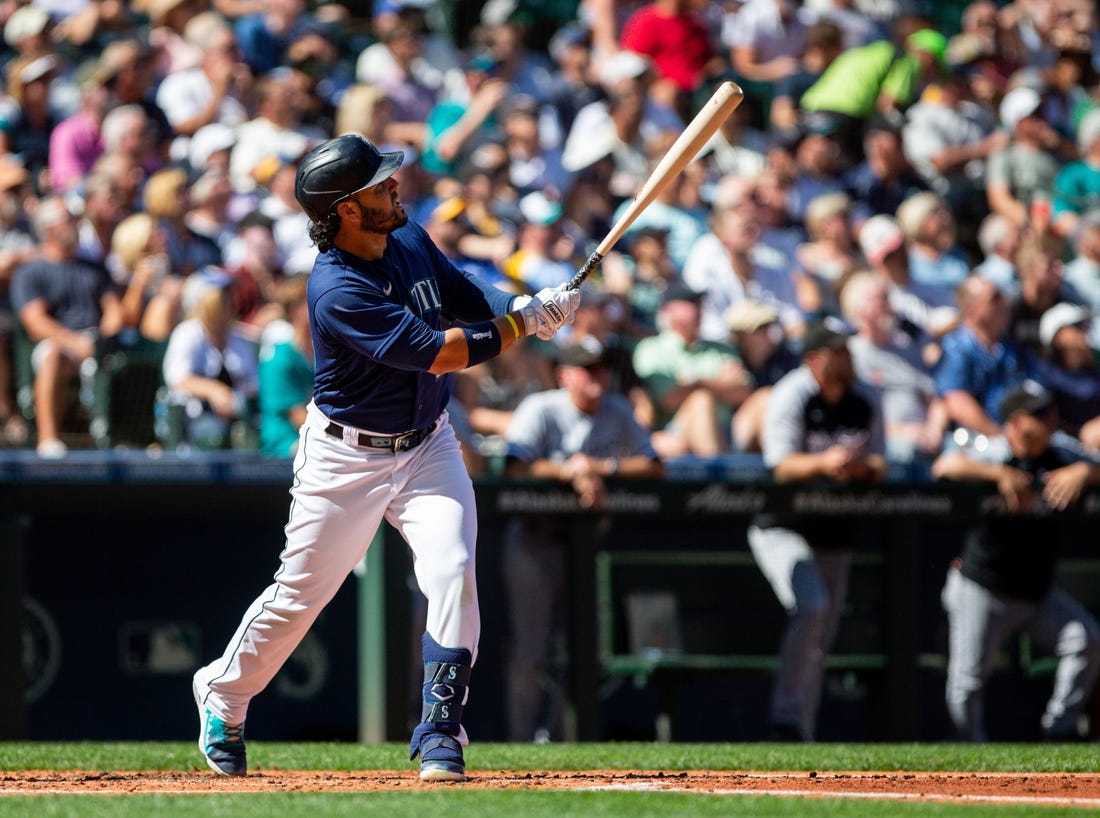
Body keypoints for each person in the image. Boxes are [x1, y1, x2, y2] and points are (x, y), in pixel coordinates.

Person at [191, 134, 581, 781]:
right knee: (301, 597)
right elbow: (442, 351)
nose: (394, 186)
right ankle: (224, 694)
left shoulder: (404, 237)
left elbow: (462, 295)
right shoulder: (337, 288)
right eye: (378, 184)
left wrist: (518, 305)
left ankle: (440, 734)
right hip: (346, 459)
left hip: (428, 442)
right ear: (345, 209)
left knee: (453, 568)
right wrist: (519, 329)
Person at [501, 339, 663, 741]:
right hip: (534, 539)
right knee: (531, 652)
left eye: (601, 368)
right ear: (564, 375)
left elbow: (655, 466)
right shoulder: (541, 408)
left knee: (583, 652)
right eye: (587, 369)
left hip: (586, 546)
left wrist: (599, 467)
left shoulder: (618, 409)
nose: (597, 377)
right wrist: (568, 472)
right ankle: (522, 743)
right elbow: (513, 469)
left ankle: (564, 741)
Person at [932, 381, 1100, 741]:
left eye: (1050, 410)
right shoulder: (993, 451)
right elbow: (944, 466)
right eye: (1039, 414)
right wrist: (997, 475)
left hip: (1036, 591)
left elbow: (1094, 464)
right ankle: (970, 752)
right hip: (983, 586)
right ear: (1015, 422)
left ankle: (1060, 730)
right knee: (967, 681)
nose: (1051, 418)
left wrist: (1085, 472)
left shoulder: (1061, 451)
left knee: (1085, 640)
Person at [747, 320, 886, 740]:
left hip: (834, 532)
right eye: (837, 351)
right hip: (782, 526)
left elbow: (882, 463)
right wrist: (825, 464)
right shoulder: (792, 393)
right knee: (812, 606)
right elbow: (779, 463)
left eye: (847, 350)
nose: (846, 358)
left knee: (821, 638)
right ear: (814, 359)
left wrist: (859, 466)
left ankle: (800, 735)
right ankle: (786, 718)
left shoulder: (865, 398)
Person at [11, 196, 124, 457]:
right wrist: (74, 343)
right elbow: (35, 322)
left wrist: (101, 339)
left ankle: (125, 437)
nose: (75, 225)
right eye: (68, 220)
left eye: (75, 219)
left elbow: (113, 312)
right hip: (58, 343)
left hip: (97, 344)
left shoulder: (94, 266)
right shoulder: (31, 272)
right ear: (49, 229)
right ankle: (48, 440)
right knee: (53, 356)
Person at [257, 274, 312, 457]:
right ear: (296, 308)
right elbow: (300, 420)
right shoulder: (279, 359)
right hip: (284, 447)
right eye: (313, 300)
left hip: (317, 440)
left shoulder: (326, 355)